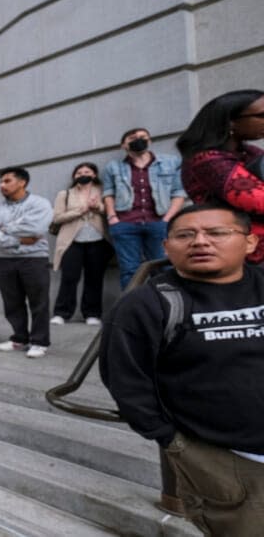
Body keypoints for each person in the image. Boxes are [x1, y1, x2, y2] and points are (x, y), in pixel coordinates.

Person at [99, 204, 264, 535]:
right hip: (223, 460)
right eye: (185, 235)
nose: (200, 242)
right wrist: (172, 442)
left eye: (217, 233)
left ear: (250, 242)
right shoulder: (146, 305)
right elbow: (126, 383)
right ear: (166, 247)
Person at [177, 89, 264, 266]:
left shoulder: (249, 153)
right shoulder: (206, 159)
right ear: (231, 122)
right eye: (262, 115)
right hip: (243, 254)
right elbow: (258, 201)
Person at [102, 128, 187, 289]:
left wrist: (167, 219)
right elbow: (108, 193)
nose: (138, 140)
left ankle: (166, 306)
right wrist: (112, 218)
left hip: (158, 222)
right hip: (125, 224)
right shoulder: (113, 167)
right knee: (130, 271)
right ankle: (133, 308)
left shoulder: (171, 162)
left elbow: (178, 192)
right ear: (123, 145)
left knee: (164, 266)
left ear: (150, 140)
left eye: (143, 137)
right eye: (132, 138)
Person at [0, 167, 54, 358]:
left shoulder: (40, 204)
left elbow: (37, 227)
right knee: (12, 302)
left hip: (34, 259)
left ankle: (39, 341)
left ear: (22, 182)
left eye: (7, 181)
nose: (2, 185)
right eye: (1, 182)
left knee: (38, 302)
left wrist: (4, 230)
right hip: (4, 261)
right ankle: (19, 338)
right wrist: (18, 238)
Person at [50, 163, 113, 326]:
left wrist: (97, 207)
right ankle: (62, 313)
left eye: (87, 171)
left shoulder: (104, 191)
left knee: (94, 278)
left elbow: (113, 212)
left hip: (98, 241)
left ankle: (92, 313)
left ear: (94, 174)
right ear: (74, 176)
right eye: (79, 172)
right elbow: (57, 218)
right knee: (69, 277)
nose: (82, 174)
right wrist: (80, 211)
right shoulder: (65, 194)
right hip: (72, 241)